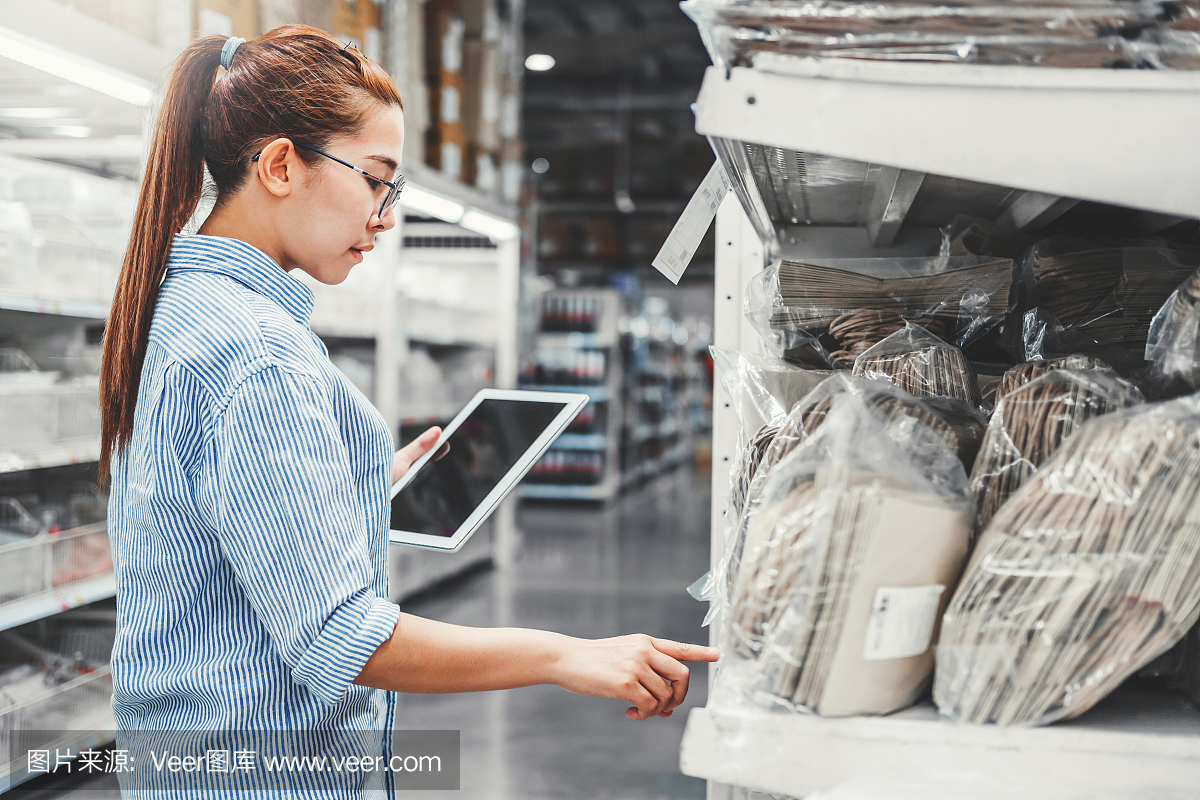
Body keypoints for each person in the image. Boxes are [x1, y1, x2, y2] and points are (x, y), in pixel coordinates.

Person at [98, 25, 717, 796]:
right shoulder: (258, 353)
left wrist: (350, 479)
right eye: (376, 179)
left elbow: (202, 511)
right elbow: (339, 639)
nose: (386, 215)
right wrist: (566, 655)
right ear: (281, 165)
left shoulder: (182, 306)